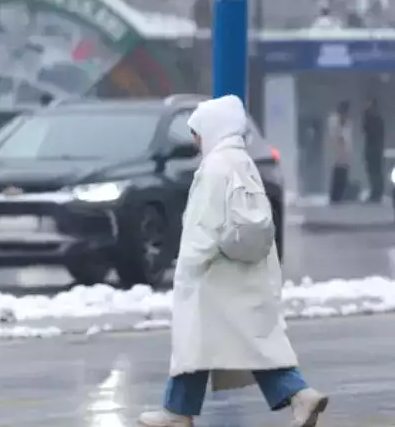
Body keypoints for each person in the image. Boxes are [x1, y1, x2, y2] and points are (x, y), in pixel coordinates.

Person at [137, 95, 328, 427]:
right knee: (238, 343)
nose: (195, 140)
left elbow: (204, 225)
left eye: (197, 131)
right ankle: (180, 410)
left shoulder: (215, 167)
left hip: (215, 275)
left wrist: (191, 263)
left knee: (203, 342)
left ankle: (177, 413)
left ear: (212, 129)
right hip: (240, 273)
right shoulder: (241, 162)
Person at [326, 101, 353, 204]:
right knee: (337, 174)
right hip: (336, 152)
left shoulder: (348, 123)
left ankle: (340, 195)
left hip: (345, 152)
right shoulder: (334, 121)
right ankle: (334, 196)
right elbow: (334, 136)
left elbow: (348, 139)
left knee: (343, 174)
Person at [362, 99, 385, 204]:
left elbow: (371, 132)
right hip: (372, 150)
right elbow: (364, 129)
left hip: (375, 150)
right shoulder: (371, 119)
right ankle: (375, 193)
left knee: (375, 172)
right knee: (372, 172)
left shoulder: (377, 120)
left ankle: (377, 193)